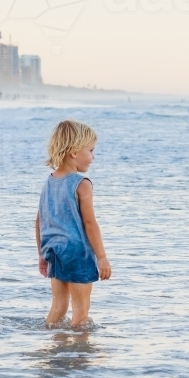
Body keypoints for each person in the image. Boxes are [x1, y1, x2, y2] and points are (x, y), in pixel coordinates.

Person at [35, 120, 111, 329]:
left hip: (55, 251)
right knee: (81, 312)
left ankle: (54, 348)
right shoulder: (82, 184)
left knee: (58, 306)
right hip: (77, 253)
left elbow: (40, 220)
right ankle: (79, 356)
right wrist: (102, 258)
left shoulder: (49, 181)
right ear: (74, 152)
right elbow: (90, 223)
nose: (93, 156)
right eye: (91, 150)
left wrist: (41, 254)